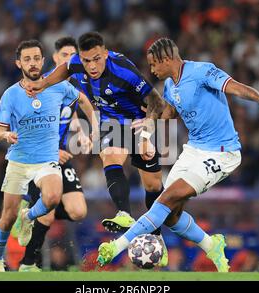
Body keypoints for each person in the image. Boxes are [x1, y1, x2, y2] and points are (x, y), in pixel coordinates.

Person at [96, 37, 259, 272]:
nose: (152, 70)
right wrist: (149, 119)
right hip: (193, 150)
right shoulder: (170, 85)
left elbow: (236, 87)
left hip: (221, 152)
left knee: (165, 200)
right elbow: (171, 112)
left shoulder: (202, 71)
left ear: (166, 60)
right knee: (169, 215)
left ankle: (116, 247)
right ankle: (212, 244)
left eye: (154, 65)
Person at [24, 32, 169, 265]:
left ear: (105, 53)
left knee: (152, 185)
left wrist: (146, 134)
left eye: (97, 59)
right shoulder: (76, 63)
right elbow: (65, 69)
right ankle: (124, 214)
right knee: (110, 157)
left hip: (139, 122)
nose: (92, 66)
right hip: (112, 125)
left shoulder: (123, 69)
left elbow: (156, 101)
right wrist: (43, 82)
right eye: (86, 60)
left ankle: (157, 238)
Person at [0, 39, 87, 272]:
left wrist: (86, 128)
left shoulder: (59, 87)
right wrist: (6, 136)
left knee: (53, 198)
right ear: (18, 63)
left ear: (43, 61)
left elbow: (80, 101)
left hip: (48, 160)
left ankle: (30, 217)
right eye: (27, 59)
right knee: (7, 217)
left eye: (35, 58)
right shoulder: (11, 94)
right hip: (19, 161)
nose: (32, 63)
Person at [17, 36, 98, 272]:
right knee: (49, 214)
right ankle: (27, 263)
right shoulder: (43, 87)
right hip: (37, 159)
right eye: (65, 56)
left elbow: (79, 103)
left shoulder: (74, 84)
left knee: (78, 211)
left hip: (59, 158)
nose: (70, 60)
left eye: (74, 57)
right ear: (55, 58)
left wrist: (88, 129)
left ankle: (32, 211)